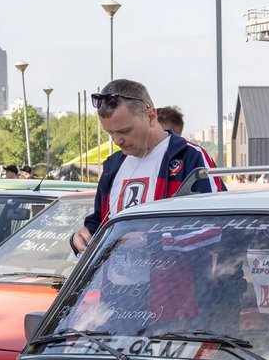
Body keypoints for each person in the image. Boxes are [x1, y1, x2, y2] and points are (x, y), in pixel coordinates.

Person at [71, 79, 221, 252]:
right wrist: (83, 236)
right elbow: (100, 222)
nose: (117, 140)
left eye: (124, 131)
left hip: (171, 278)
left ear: (151, 116)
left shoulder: (190, 158)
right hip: (111, 279)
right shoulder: (113, 165)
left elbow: (216, 228)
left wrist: (150, 241)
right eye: (110, 132)